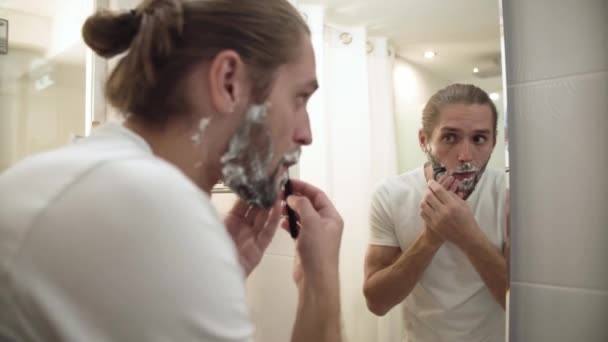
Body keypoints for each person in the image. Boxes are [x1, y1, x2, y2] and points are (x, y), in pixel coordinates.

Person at [0, 0, 343, 341]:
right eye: (299, 99)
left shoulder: (98, 175)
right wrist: (321, 282)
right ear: (228, 82)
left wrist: (206, 278)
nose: (307, 134)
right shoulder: (151, 205)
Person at [363, 84, 508, 342]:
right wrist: (430, 238)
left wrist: (467, 235)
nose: (465, 156)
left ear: (494, 142)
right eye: (450, 137)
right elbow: (376, 302)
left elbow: (521, 305)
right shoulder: (391, 194)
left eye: (479, 139)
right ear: (423, 140)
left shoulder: (510, 194)